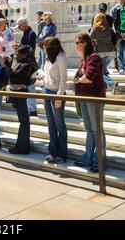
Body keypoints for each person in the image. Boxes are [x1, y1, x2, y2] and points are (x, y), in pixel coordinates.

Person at [74, 33, 106, 173]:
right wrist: (79, 79)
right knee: (89, 129)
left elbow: (89, 78)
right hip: (84, 97)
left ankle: (100, 161)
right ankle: (88, 158)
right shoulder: (84, 59)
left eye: (77, 42)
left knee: (96, 129)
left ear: (85, 43)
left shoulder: (94, 57)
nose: (75, 45)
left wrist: (78, 80)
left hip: (94, 97)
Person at [42, 37, 68, 164]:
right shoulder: (48, 57)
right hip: (46, 91)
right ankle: (52, 151)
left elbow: (64, 78)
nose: (43, 47)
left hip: (56, 93)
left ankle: (62, 153)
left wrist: (60, 95)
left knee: (59, 124)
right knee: (50, 124)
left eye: (45, 45)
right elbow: (47, 71)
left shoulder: (61, 57)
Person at [9, 46, 39, 154]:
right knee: (23, 121)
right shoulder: (22, 63)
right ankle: (21, 146)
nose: (16, 56)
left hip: (20, 94)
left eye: (18, 54)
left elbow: (14, 76)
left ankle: (22, 147)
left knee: (24, 121)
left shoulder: (26, 64)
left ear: (24, 54)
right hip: (17, 94)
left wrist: (8, 66)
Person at [15, 17, 37, 116]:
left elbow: (30, 48)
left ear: (24, 24)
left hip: (30, 63)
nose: (19, 28)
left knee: (30, 85)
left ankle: (32, 109)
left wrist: (19, 46)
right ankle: (30, 107)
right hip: (26, 63)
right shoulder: (26, 33)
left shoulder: (31, 34)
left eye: (19, 26)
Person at [90, 13, 116, 90]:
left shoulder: (95, 28)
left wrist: (95, 41)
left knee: (99, 72)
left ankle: (112, 83)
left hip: (100, 52)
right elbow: (114, 37)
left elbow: (90, 37)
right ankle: (105, 86)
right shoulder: (109, 28)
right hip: (111, 52)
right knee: (102, 70)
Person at [114, 0, 125, 75]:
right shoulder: (118, 9)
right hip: (121, 33)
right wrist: (120, 33)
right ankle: (121, 68)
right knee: (119, 51)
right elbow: (116, 23)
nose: (120, 0)